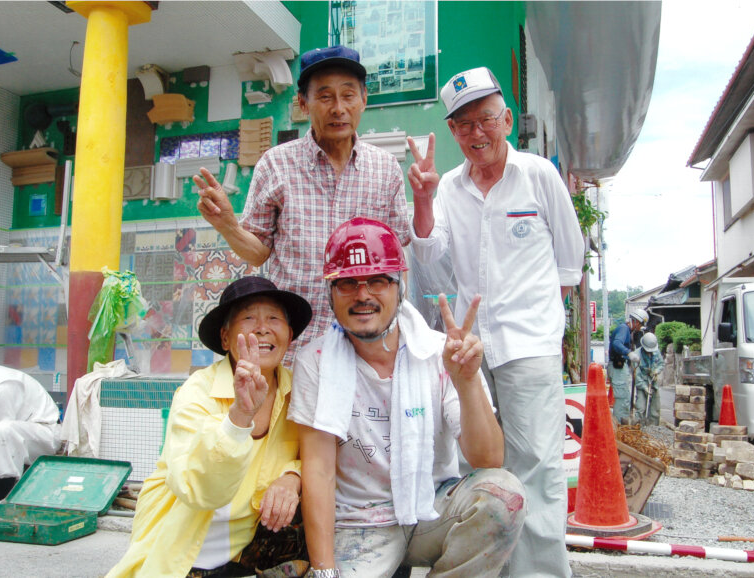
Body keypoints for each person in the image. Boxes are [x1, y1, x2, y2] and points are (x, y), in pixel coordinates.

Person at [406, 67, 584, 577]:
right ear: (453, 132)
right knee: (482, 469)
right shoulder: (450, 191)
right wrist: (422, 199)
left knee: (538, 472)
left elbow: (568, 267)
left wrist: (544, 330)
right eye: (463, 125)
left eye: (486, 119)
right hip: (472, 355)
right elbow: (430, 252)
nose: (477, 133)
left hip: (530, 349)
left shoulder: (539, 175)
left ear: (506, 118)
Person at [289, 218, 525, 578]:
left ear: (400, 287)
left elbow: (488, 458)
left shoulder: (442, 353)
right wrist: (324, 571)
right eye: (348, 284)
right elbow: (318, 471)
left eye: (378, 281)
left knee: (502, 496)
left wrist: (466, 383)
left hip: (431, 507)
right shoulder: (315, 363)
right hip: (359, 524)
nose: (363, 295)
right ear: (330, 294)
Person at [194, 45, 410, 365]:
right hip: (295, 351)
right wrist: (228, 225)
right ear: (303, 102)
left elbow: (397, 257)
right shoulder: (276, 164)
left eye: (348, 95)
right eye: (324, 96)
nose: (338, 108)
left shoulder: (386, 168)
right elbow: (259, 251)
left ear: (364, 99)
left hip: (365, 350)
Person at [107, 276, 313, 577]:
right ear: (226, 338)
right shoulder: (197, 392)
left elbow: (324, 457)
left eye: (273, 318)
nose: (262, 328)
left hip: (248, 546)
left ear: (290, 335)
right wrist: (241, 416)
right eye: (248, 318)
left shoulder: (300, 392)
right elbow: (198, 489)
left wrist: (293, 476)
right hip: (187, 555)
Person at [0, 362, 61, 503]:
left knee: (3, 431)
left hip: (45, 435)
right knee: (2, 432)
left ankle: (2, 499)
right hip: (15, 433)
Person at [609, 308, 649, 424]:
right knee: (622, 399)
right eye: (640, 324)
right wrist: (628, 353)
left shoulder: (626, 330)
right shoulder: (624, 329)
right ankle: (619, 428)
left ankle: (620, 426)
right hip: (618, 367)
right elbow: (617, 343)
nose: (639, 327)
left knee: (625, 397)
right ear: (636, 321)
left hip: (620, 366)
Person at [633, 332, 664, 426]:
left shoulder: (656, 352)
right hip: (642, 382)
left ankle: (654, 428)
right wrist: (645, 387)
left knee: (655, 408)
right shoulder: (636, 355)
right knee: (641, 407)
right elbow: (636, 375)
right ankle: (638, 428)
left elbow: (661, 364)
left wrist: (656, 371)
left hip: (653, 381)